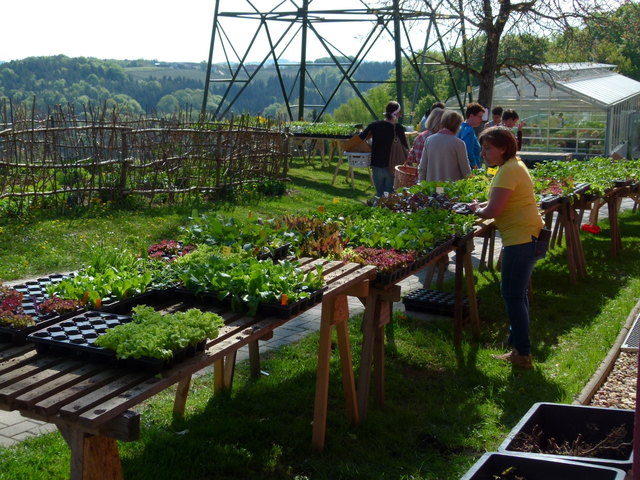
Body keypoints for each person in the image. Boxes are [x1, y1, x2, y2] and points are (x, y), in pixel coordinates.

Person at [467, 127, 548, 369]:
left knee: (512, 295)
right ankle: (517, 346)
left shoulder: (507, 171)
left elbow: (492, 211)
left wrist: (476, 210)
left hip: (521, 240)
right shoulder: (514, 165)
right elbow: (502, 200)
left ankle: (522, 354)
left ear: (503, 148)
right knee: (518, 294)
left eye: (488, 148)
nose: (483, 152)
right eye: (483, 147)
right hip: (530, 236)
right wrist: (481, 204)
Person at [359, 101, 409, 197]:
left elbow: (360, 138)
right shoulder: (398, 128)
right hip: (391, 166)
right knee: (388, 195)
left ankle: (377, 210)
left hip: (376, 165)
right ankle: (385, 210)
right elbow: (405, 147)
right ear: (397, 113)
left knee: (379, 194)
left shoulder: (374, 125)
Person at [418, 110, 470, 182]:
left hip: (432, 187)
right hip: (450, 189)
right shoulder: (459, 144)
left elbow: (422, 167)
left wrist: (421, 183)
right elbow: (465, 170)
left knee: (438, 191)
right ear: (457, 125)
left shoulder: (429, 140)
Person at [457, 102, 485, 169]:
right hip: (470, 169)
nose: (481, 119)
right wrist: (474, 166)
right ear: (471, 115)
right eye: (479, 116)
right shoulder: (469, 130)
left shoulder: (460, 127)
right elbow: (468, 150)